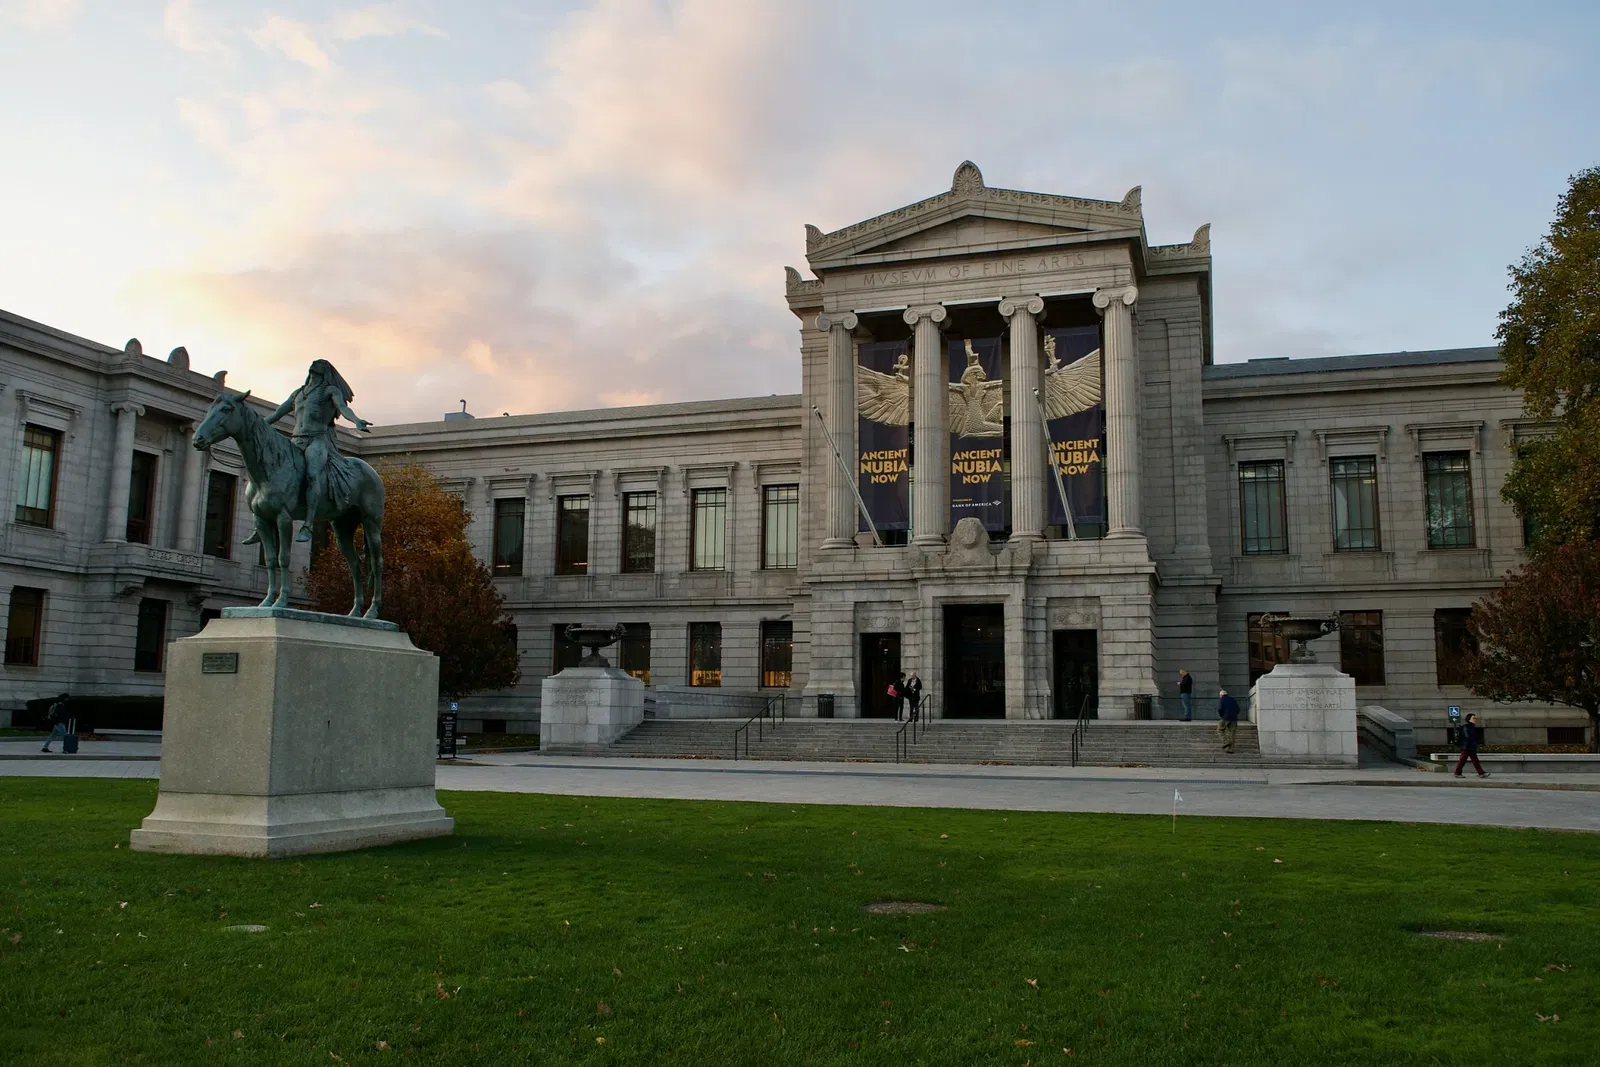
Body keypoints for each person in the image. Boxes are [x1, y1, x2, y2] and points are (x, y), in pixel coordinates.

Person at [242, 359, 372, 545]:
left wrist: (357, 421)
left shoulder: (330, 391)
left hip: (318, 440)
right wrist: (258, 426)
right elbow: (279, 412)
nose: (315, 365)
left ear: (326, 371)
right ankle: (262, 522)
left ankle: (308, 524)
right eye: (314, 364)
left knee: (312, 474)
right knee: (274, 474)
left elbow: (344, 409)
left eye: (320, 365)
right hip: (296, 440)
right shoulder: (299, 393)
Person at [1454, 712, 1490, 778]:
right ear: (1469, 719)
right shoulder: (1466, 727)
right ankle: (1457, 773)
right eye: (1473, 718)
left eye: (1475, 718)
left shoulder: (1472, 727)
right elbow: (1468, 737)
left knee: (1475, 760)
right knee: (1462, 760)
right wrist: (1473, 743)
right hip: (1466, 747)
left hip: (1471, 747)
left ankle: (1481, 773)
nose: (1475, 719)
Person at [1216, 688, 1240, 753]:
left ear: (1221, 695)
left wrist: (1222, 715)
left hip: (1225, 718)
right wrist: (1234, 714)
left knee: (1219, 730)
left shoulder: (1222, 699)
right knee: (1232, 734)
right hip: (1234, 718)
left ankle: (1226, 742)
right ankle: (1231, 749)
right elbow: (1238, 709)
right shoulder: (1233, 699)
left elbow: (1220, 709)